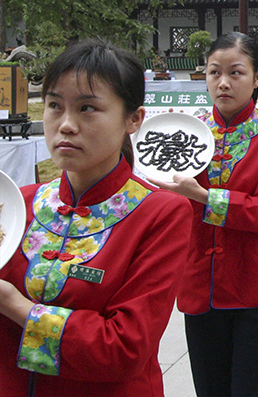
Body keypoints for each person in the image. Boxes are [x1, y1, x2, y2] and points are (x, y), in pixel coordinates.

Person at [0, 40, 190, 397]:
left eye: (87, 108)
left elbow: (124, 348)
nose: (66, 125)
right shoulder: (16, 206)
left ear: (133, 119)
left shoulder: (160, 213)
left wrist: (14, 304)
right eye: (55, 105)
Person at [165, 32, 258, 397]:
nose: (223, 82)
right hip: (199, 285)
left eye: (235, 73)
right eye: (213, 72)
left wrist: (205, 197)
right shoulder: (185, 133)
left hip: (256, 287)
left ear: (256, 79)